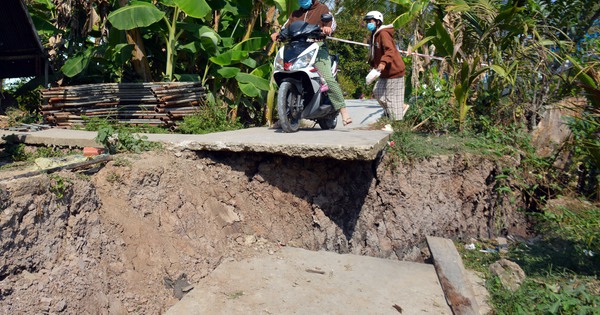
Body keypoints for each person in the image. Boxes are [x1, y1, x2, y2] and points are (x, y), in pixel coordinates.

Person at [271, 0, 352, 126]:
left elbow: (331, 23)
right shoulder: (295, 13)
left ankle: (343, 111)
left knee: (327, 78)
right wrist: (278, 34)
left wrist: (327, 28)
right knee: (283, 70)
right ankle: (285, 117)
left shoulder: (322, 8)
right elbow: (285, 28)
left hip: (317, 47)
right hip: (296, 48)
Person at [363, 11, 407, 121]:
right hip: (383, 72)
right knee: (377, 93)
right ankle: (399, 108)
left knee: (392, 99)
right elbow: (375, 53)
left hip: (394, 70)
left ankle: (395, 124)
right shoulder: (374, 35)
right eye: (367, 21)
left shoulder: (383, 33)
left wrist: (383, 63)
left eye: (370, 21)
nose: (368, 23)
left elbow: (390, 50)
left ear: (378, 21)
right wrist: (374, 65)